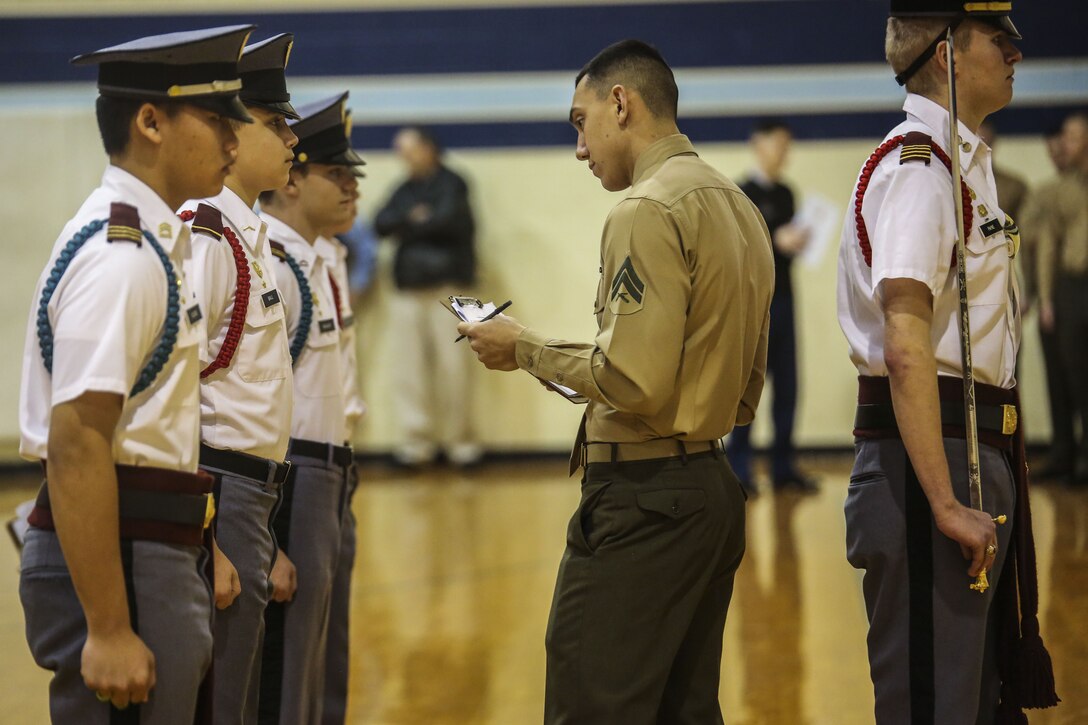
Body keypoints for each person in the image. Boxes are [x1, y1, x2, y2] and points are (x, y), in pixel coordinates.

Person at [459, 39, 773, 722]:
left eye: (580, 121)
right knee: (683, 710)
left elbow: (634, 380)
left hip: (644, 501)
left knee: (589, 704)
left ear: (620, 103)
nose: (579, 147)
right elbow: (743, 383)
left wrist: (525, 348)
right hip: (711, 491)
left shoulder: (645, 209)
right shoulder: (741, 207)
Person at [17, 25, 253, 722]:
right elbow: (80, 440)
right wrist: (110, 627)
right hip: (124, 554)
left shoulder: (151, 241)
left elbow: (149, 426)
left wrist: (203, 544)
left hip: (154, 541)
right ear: (150, 121)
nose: (234, 143)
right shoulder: (121, 257)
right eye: (216, 122)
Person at [837, 2, 1056, 721]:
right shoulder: (919, 169)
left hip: (968, 447)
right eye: (1000, 40)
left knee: (970, 700)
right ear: (946, 54)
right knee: (932, 704)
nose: (1015, 54)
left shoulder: (960, 165)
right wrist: (942, 500)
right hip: (929, 461)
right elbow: (906, 346)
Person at [178, 32, 299, 724]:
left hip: (252, 490)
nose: (291, 140)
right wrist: (209, 534)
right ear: (232, 131)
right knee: (219, 699)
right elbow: (176, 393)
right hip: (219, 488)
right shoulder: (210, 235)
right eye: (276, 124)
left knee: (240, 697)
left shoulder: (244, 229)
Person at [256, 91, 363, 725]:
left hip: (332, 469)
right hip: (293, 476)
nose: (352, 188)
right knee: (288, 664)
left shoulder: (322, 255)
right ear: (291, 181)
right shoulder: (272, 261)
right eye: (336, 174)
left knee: (325, 659)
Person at [374, 126, 481, 468]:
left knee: (455, 369)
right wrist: (413, 218)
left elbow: (448, 223)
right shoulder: (405, 189)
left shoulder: (453, 183)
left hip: (447, 290)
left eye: (409, 150)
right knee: (409, 371)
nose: (404, 158)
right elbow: (379, 223)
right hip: (408, 290)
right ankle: (415, 445)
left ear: (428, 148)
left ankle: (461, 445)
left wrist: (407, 225)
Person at [726, 118, 816, 495]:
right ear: (758, 144)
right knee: (748, 387)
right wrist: (774, 239)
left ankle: (782, 466)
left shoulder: (787, 193)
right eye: (778, 144)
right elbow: (738, 248)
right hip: (754, 305)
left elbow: (789, 249)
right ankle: (739, 469)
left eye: (787, 145)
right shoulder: (739, 193)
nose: (784, 153)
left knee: (789, 386)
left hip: (785, 299)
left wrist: (799, 242)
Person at [1020, 123, 1076, 479]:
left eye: (1066, 143)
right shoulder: (1045, 193)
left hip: (1073, 289)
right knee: (1059, 378)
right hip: (1057, 294)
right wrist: (1038, 296)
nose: (1058, 152)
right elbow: (1036, 249)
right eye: (1052, 146)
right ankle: (1063, 451)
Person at [1036, 111, 1088, 487]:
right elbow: (1048, 247)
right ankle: (1072, 456)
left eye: (1071, 136)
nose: (1064, 144)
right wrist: (1047, 297)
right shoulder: (1062, 188)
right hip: (1073, 285)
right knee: (1074, 373)